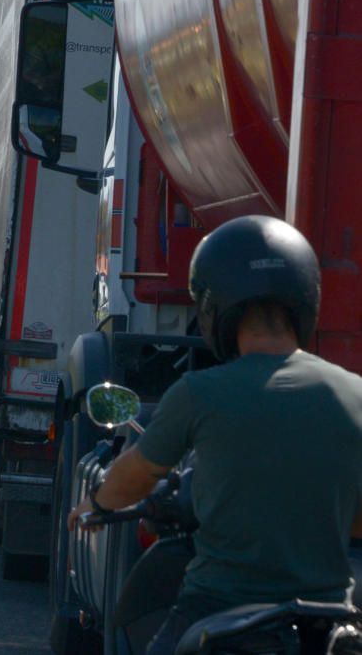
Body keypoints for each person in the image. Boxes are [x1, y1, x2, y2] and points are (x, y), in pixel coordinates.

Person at [66, 215, 362, 655]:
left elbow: (138, 472)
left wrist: (94, 504)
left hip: (218, 604)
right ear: (306, 299)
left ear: (213, 306)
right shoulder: (354, 392)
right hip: (328, 617)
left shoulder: (198, 392)